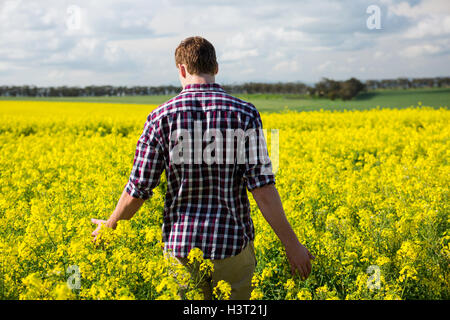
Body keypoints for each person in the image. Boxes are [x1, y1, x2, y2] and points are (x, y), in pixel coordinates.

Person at [91, 36, 314, 300]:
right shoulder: (246, 113)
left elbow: (138, 188)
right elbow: (263, 188)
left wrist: (111, 225)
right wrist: (292, 244)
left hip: (182, 250)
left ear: (181, 70)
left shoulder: (159, 117)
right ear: (216, 67)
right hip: (232, 247)